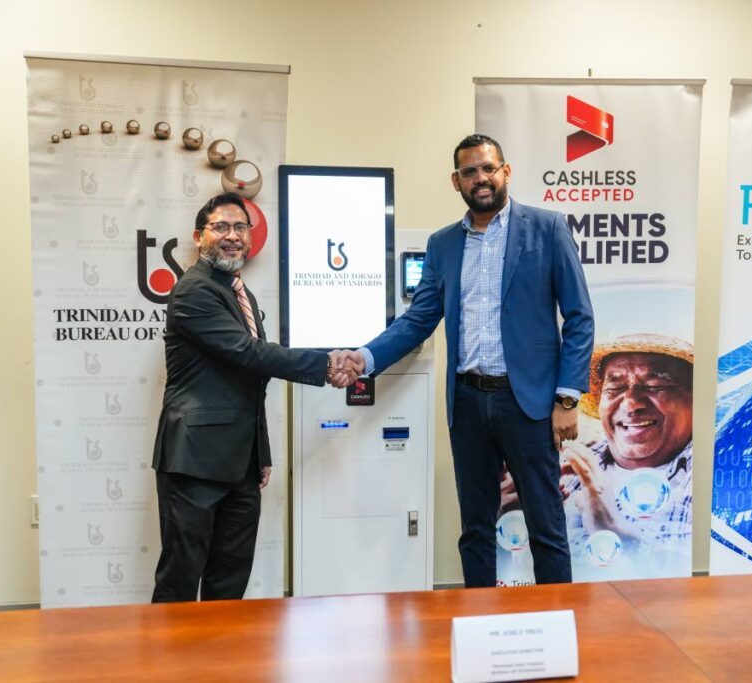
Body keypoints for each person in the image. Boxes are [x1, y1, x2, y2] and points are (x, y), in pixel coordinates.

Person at [332, 134, 594, 587]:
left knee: (546, 528)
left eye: (488, 168)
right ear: (457, 181)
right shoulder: (443, 244)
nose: (481, 178)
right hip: (468, 403)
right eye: (470, 172)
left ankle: (558, 625)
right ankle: (479, 624)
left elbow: (579, 317)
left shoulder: (547, 229)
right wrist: (364, 356)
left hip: (527, 403)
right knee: (474, 530)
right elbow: (417, 321)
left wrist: (567, 399)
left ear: (505, 172)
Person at [152, 192, 353, 602]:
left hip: (240, 466)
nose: (232, 236)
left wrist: (259, 453)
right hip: (194, 462)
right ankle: (169, 666)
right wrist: (324, 364)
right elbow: (249, 353)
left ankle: (220, 665)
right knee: (180, 579)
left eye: (240, 227)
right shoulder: (194, 291)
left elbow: (249, 379)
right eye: (221, 227)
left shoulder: (239, 291)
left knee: (230, 582)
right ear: (199, 237)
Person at [561, 334, 693, 576]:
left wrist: (616, 531)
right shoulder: (567, 468)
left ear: (694, 397)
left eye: (655, 386)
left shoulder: (716, 473)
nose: (631, 404)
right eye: (615, 387)